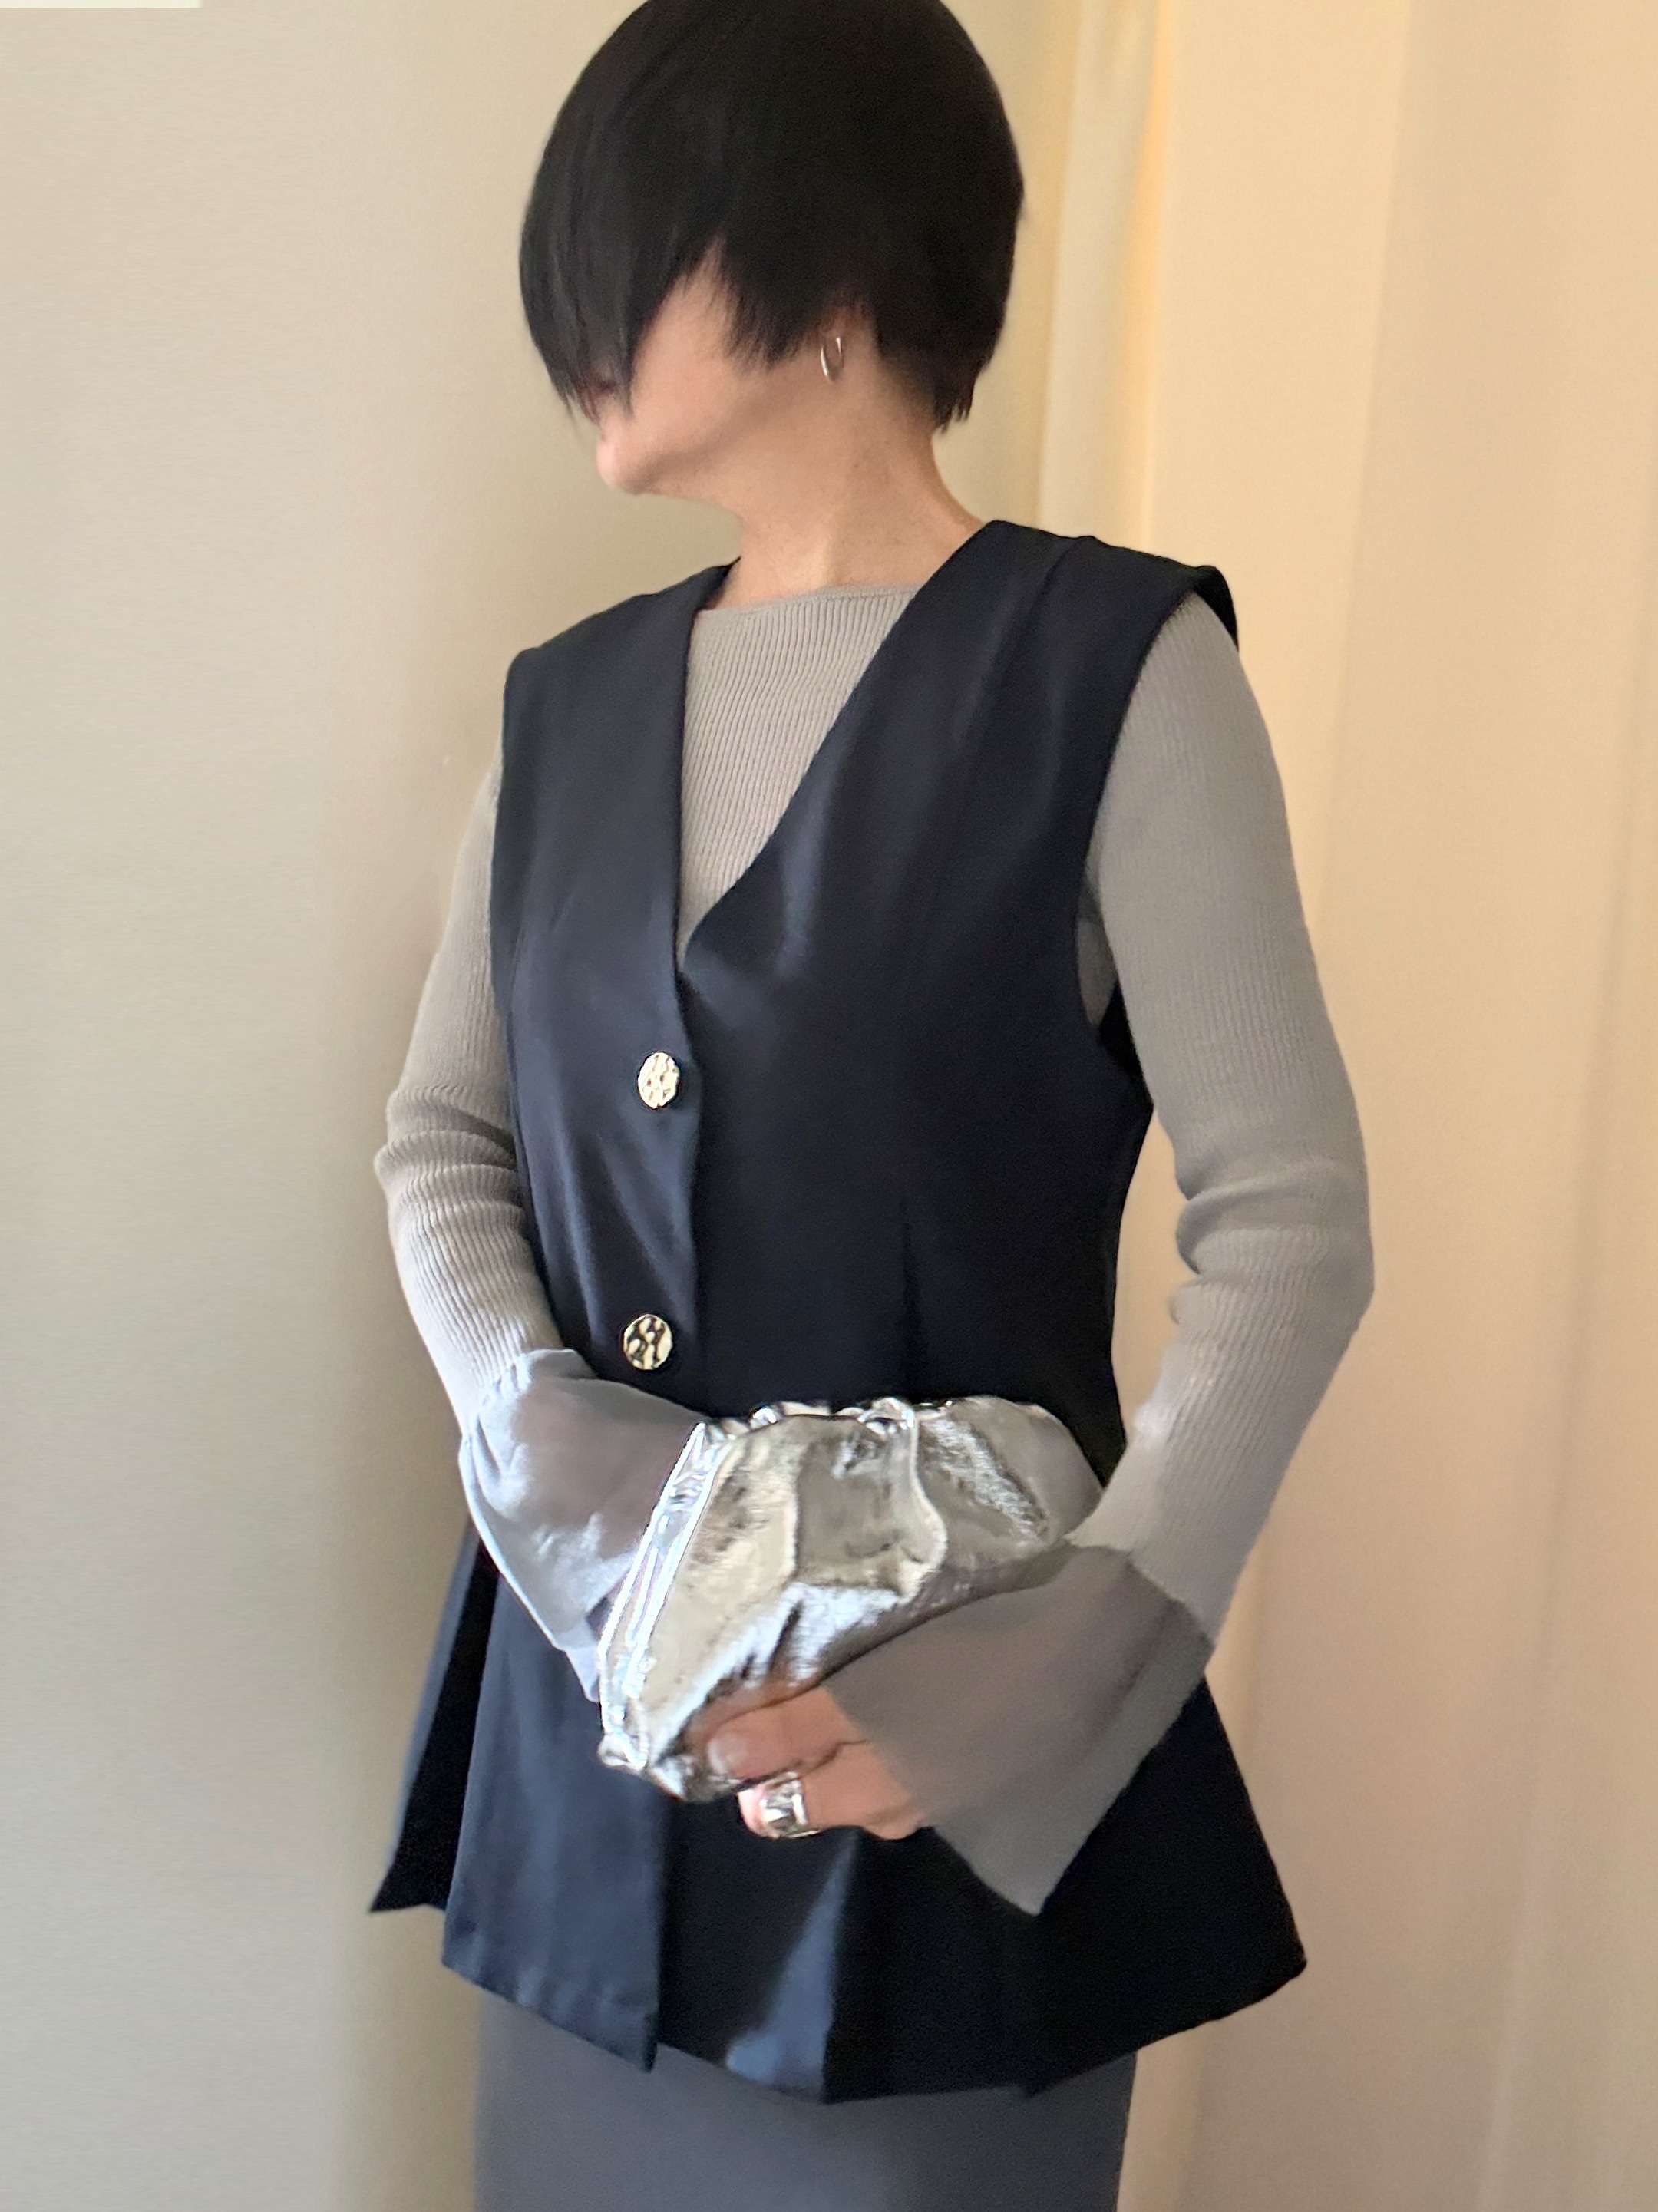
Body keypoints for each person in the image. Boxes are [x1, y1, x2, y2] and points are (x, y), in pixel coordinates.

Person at [370, 1, 1375, 2205]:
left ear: (816, 246)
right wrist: (549, 1456)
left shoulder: (1117, 672)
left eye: (615, 255)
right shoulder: (563, 711)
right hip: (588, 1774)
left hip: (934, 1814)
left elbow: (1292, 1223)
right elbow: (443, 1138)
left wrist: (1068, 1670)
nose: (574, 337)